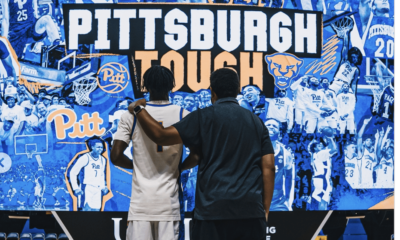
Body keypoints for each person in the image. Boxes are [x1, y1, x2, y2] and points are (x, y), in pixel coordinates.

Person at [129, 68, 275, 240]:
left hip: (212, 211)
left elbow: (161, 136)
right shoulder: (256, 122)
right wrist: (264, 210)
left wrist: (138, 110)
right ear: (237, 91)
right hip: (250, 211)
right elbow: (269, 167)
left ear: (212, 90)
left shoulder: (202, 117)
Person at [111, 65, 191, 240]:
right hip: (169, 204)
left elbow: (116, 156)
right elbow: (198, 154)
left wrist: (138, 166)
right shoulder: (183, 114)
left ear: (145, 86)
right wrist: (180, 168)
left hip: (141, 204)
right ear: (172, 86)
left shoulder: (131, 115)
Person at [69, 138, 109, 211]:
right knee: (86, 210)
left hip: (97, 188)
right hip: (87, 187)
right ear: (92, 147)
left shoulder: (103, 159)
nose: (100, 149)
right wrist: (76, 188)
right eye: (98, 147)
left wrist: (103, 186)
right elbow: (73, 172)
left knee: (96, 210)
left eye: (101, 147)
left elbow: (101, 174)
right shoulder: (85, 158)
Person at [264, 118, 293, 211]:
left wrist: (288, 198)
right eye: (268, 125)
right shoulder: (251, 150)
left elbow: (288, 177)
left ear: (279, 133)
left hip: (277, 200)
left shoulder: (286, 154)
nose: (271, 127)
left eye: (274, 126)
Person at [357, 117, 377, 188]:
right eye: (367, 140)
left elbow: (375, 164)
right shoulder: (361, 151)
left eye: (370, 141)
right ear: (363, 143)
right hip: (362, 182)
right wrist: (364, 124)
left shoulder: (372, 153)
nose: (369, 142)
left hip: (370, 182)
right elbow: (359, 137)